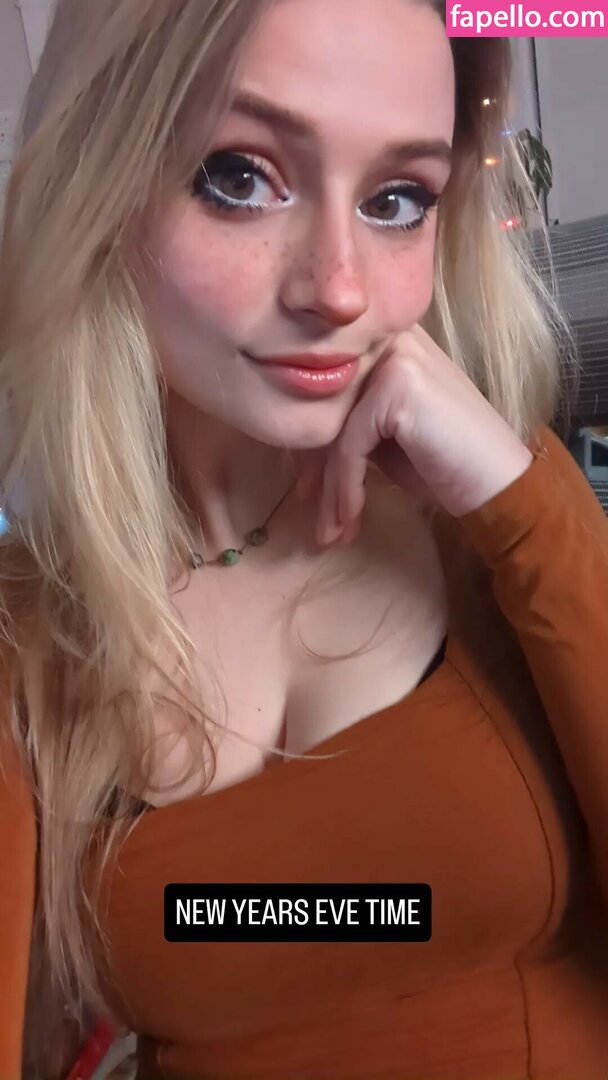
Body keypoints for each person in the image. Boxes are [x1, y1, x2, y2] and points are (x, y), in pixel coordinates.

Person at [1, 0, 607, 1077]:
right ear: (100, 184)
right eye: (239, 177)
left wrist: (524, 506)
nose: (337, 289)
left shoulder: (503, 522)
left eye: (396, 199)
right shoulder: (28, 632)